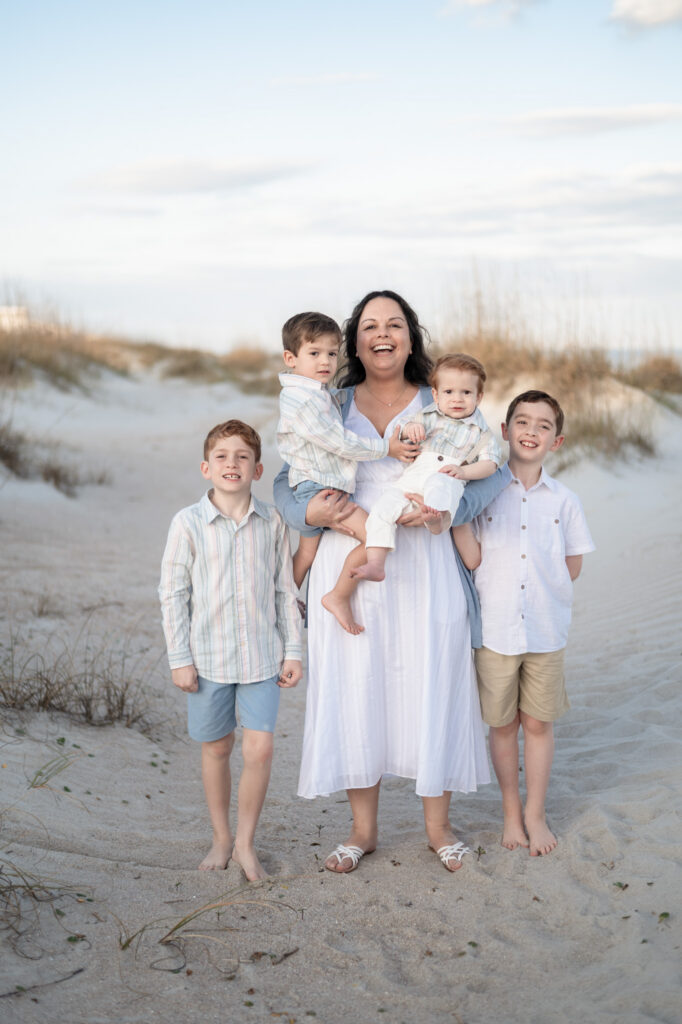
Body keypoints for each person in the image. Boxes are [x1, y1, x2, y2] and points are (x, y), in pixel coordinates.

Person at [274, 290, 512, 874]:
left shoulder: (445, 396)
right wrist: (312, 514)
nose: (383, 334)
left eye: (395, 325)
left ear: (411, 335)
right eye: (371, 326)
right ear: (353, 339)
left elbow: (494, 468)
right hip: (349, 561)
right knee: (360, 688)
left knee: (431, 681)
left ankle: (438, 827)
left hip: (426, 563)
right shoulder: (325, 402)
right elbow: (287, 480)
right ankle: (363, 830)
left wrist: (447, 512)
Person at [159, 419, 302, 880]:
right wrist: (180, 659)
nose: (232, 464)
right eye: (222, 456)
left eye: (242, 457)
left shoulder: (273, 522)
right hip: (208, 659)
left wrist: (294, 651)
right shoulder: (187, 523)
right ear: (206, 467)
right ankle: (220, 837)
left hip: (262, 655)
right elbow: (173, 594)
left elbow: (285, 590)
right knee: (218, 747)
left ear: (258, 469)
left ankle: (245, 843)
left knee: (259, 750)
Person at [455, 390, 594, 856]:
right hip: (494, 630)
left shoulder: (564, 500)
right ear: (504, 431)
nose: (531, 431)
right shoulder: (483, 493)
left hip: (545, 629)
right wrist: (455, 517)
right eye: (523, 422)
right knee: (502, 725)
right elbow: (472, 558)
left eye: (543, 425)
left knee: (537, 722)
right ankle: (511, 811)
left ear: (556, 441)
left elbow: (573, 564)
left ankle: (536, 812)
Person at [276, 311, 413, 616]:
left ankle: (282, 604)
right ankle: (338, 595)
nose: (325, 362)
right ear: (290, 357)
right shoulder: (302, 401)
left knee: (307, 553)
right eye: (314, 353)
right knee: (376, 534)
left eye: (331, 353)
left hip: (317, 485)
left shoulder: (319, 394)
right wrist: (386, 448)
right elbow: (339, 442)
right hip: (321, 489)